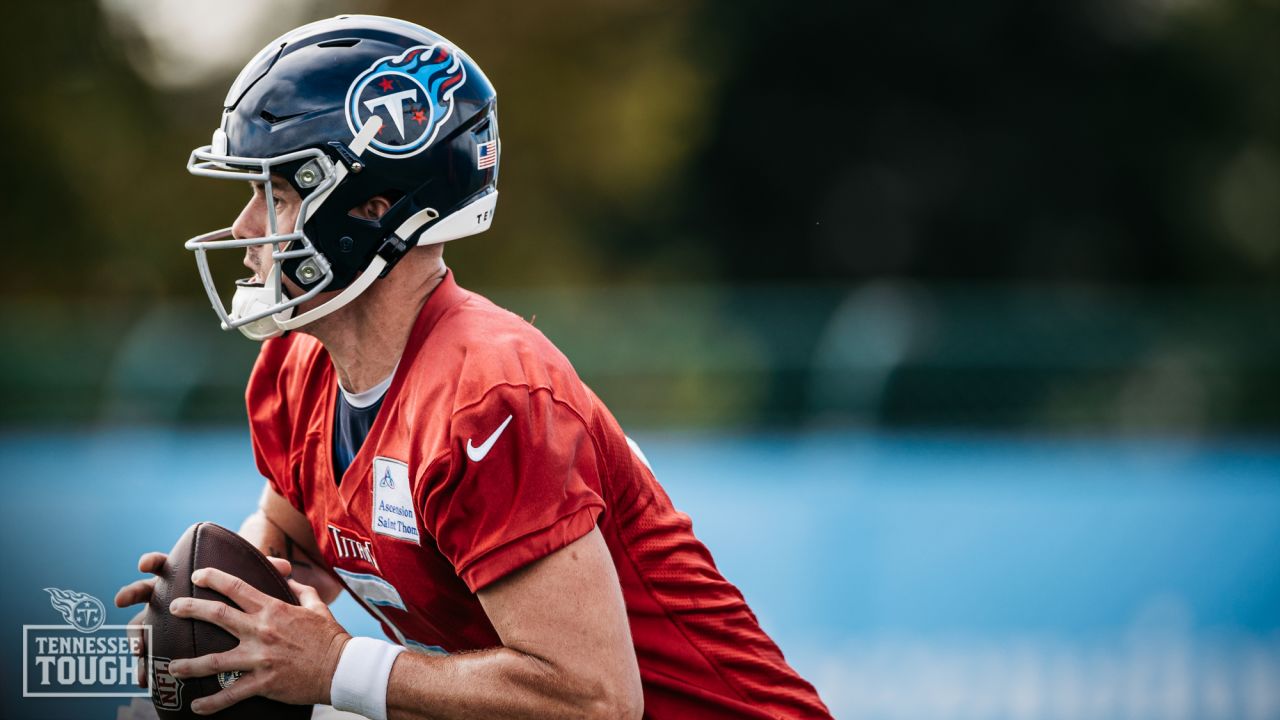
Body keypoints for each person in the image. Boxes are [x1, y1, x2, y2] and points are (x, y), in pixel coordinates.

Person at [115, 14, 831, 720]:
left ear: (372, 207)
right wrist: (211, 613)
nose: (245, 226)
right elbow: (294, 550)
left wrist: (334, 665)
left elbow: (592, 699)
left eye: (275, 192)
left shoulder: (488, 395)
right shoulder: (297, 368)